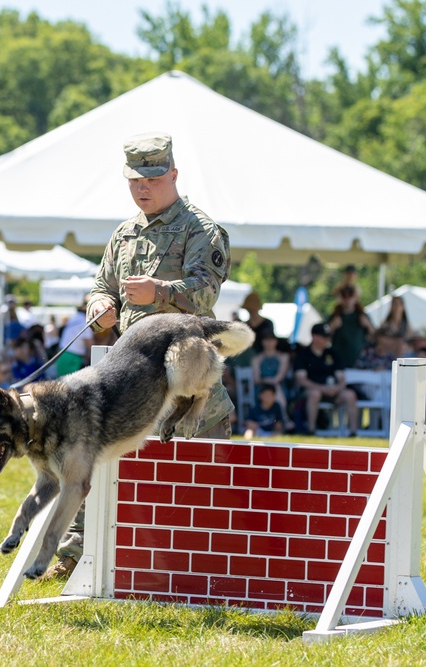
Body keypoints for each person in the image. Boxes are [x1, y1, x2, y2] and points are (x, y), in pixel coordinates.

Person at [74, 131, 233, 580]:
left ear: (174, 175)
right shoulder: (123, 234)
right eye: (134, 181)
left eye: (152, 178)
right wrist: (99, 309)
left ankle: (202, 572)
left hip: (189, 386)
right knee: (103, 468)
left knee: (199, 489)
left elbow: (205, 294)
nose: (142, 187)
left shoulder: (201, 229)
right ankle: (77, 556)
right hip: (133, 381)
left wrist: (159, 290)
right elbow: (102, 285)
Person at [293, 322, 358, 436]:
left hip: (333, 390)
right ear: (315, 337)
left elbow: (341, 377)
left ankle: (353, 432)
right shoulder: (303, 354)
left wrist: (337, 388)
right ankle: (311, 430)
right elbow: (301, 380)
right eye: (324, 337)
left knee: (350, 395)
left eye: (328, 337)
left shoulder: (332, 353)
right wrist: (322, 388)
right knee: (315, 394)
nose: (327, 340)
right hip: (311, 390)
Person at [328, 285, 375, 369]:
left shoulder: (362, 316)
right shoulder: (335, 316)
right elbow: (324, 338)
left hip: (359, 361)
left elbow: (375, 338)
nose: (347, 299)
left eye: (350, 296)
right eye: (344, 296)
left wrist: (368, 325)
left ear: (355, 297)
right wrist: (332, 326)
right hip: (339, 362)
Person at [250, 329, 290, 424]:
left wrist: (272, 382)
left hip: (279, 386)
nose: (269, 343)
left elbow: (280, 376)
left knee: (276, 389)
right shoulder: (257, 359)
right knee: (269, 391)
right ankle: (284, 419)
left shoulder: (283, 357)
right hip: (262, 387)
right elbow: (256, 379)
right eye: (266, 340)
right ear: (262, 342)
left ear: (276, 342)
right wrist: (266, 381)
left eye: (271, 340)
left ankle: (281, 419)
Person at [55, 297, 94, 377]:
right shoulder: (83, 321)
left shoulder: (76, 317)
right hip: (71, 359)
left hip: (64, 355)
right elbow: (92, 347)